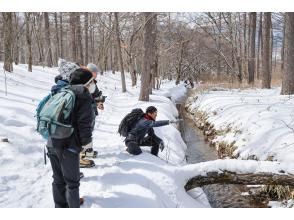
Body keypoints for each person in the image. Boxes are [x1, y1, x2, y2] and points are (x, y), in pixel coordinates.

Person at [46, 68, 96, 208]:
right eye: (92, 81)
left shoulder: (61, 90)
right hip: (68, 145)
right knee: (72, 183)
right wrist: (86, 143)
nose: (93, 84)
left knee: (58, 179)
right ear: (86, 82)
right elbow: (84, 123)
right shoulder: (83, 95)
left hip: (51, 141)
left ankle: (60, 207)